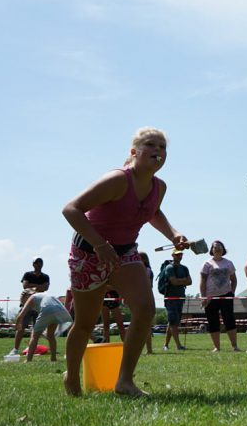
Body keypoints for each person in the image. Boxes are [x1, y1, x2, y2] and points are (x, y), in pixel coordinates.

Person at [61, 126, 189, 397]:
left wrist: (173, 234)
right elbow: (71, 209)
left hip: (126, 252)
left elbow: (153, 212)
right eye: (151, 145)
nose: (158, 151)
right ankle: (71, 377)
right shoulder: (118, 180)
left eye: (162, 147)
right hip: (89, 252)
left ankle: (125, 381)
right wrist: (99, 244)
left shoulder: (159, 187)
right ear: (134, 151)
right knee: (85, 323)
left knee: (145, 309)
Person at [200, 240, 239, 352]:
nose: (217, 249)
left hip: (226, 296)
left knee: (229, 320)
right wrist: (203, 297)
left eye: (219, 247)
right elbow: (202, 281)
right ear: (212, 250)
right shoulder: (207, 264)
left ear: (223, 249)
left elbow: (234, 280)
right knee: (213, 321)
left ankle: (234, 346)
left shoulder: (229, 263)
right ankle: (217, 347)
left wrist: (232, 293)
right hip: (210, 298)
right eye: (215, 247)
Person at [17, 289, 73, 362]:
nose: (24, 304)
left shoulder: (32, 297)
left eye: (23, 302)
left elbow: (22, 314)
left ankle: (28, 360)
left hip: (47, 310)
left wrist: (17, 324)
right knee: (50, 335)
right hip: (59, 310)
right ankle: (53, 359)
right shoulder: (44, 295)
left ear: (26, 296)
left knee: (34, 336)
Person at [160, 249, 191, 351]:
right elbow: (174, 282)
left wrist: (179, 281)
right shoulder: (169, 267)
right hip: (170, 298)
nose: (179, 256)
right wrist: (184, 280)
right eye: (177, 254)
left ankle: (165, 345)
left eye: (180, 254)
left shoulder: (184, 268)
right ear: (173, 255)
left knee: (173, 322)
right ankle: (179, 345)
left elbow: (190, 281)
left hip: (180, 297)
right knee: (173, 321)